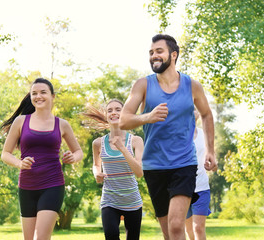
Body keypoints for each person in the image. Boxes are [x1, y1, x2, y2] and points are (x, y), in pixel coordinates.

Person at [119, 34, 217, 240]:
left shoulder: (192, 86)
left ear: (173, 55)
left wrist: (210, 150)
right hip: (154, 167)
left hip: (184, 163)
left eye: (159, 51)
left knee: (175, 226)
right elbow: (123, 120)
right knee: (168, 233)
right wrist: (148, 116)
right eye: (151, 52)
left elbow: (207, 114)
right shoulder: (143, 85)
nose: (154, 56)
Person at [0, 78, 83, 240]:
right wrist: (19, 163)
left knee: (41, 238)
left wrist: (73, 157)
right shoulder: (21, 121)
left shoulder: (62, 124)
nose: (38, 96)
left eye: (43, 92)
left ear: (52, 96)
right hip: (26, 186)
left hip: (52, 185)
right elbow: (5, 153)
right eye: (34, 93)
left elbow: (78, 151)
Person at [84, 99, 144, 240]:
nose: (114, 112)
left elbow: (139, 173)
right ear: (106, 116)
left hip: (132, 201)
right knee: (111, 235)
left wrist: (123, 149)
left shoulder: (135, 141)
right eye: (110, 110)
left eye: (118, 109)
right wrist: (96, 173)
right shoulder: (98, 143)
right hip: (109, 200)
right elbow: (96, 164)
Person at [185, 110, 211, 240]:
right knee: (189, 231)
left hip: (201, 187)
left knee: (198, 228)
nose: (192, 110)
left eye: (195, 107)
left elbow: (213, 159)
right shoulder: (178, 135)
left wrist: (211, 164)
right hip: (182, 188)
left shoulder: (204, 135)